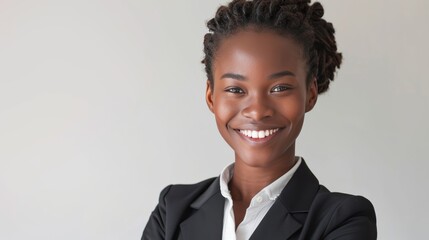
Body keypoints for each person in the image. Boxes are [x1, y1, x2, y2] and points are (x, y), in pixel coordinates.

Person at [142, 0, 377, 239]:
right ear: (211, 97)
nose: (257, 111)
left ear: (311, 94)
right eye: (235, 90)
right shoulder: (171, 210)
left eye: (279, 88)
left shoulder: (343, 220)